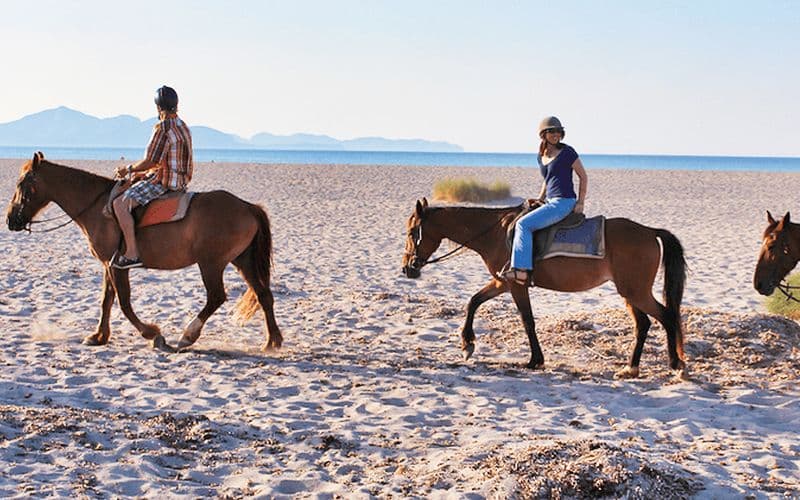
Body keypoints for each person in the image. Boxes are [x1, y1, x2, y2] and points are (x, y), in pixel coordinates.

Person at [498, 116, 588, 286]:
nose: (556, 134)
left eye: (559, 131)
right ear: (544, 134)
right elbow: (547, 180)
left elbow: (583, 177)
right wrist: (540, 198)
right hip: (550, 201)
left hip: (564, 202)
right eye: (552, 131)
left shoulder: (568, 152)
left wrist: (580, 202)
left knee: (523, 225)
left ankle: (521, 271)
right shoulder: (541, 157)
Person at [111, 85, 194, 269]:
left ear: (158, 108)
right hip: (180, 180)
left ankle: (132, 253)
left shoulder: (163, 127)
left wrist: (128, 170)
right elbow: (164, 161)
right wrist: (141, 174)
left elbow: (150, 160)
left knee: (120, 204)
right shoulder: (183, 125)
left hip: (165, 183)